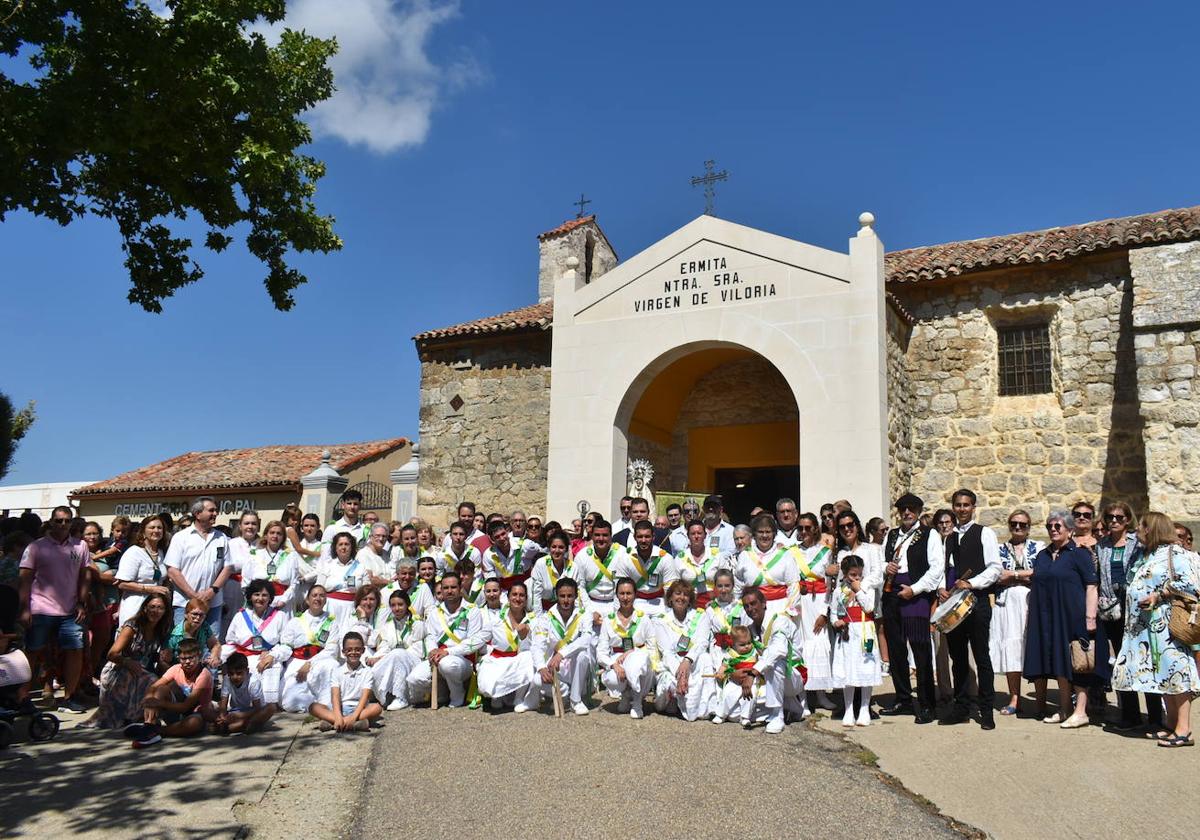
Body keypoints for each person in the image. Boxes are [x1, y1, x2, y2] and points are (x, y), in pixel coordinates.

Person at [1112, 512, 1200, 746]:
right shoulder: (1147, 555)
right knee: (1164, 675)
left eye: (1140, 526)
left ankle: (1184, 730)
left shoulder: (1177, 553)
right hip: (1148, 628)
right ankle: (1170, 724)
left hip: (1169, 625)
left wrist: (1159, 595)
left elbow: (1191, 584)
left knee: (1177, 673)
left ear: (1152, 528)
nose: (1136, 530)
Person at [1022, 509, 1108, 729]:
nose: (1053, 529)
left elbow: (1091, 586)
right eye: (1050, 526)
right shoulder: (1042, 555)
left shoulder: (1079, 554)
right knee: (1058, 661)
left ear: (1069, 530)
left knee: (1078, 664)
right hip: (1046, 616)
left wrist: (1090, 617)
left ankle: (1081, 712)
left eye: (1057, 526)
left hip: (1073, 615)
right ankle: (1064, 709)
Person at [17, 505, 91, 713]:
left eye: (67, 521)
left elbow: (84, 576)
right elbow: (24, 578)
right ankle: (22, 698)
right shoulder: (36, 547)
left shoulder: (80, 546)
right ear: (51, 522)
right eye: (59, 521)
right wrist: (24, 608)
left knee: (74, 651)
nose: (63, 524)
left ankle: (69, 697)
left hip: (70, 610)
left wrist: (82, 603)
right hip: (40, 608)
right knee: (32, 652)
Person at [939, 489, 1001, 730]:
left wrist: (971, 583)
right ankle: (961, 708)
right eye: (958, 505)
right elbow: (945, 570)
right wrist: (941, 589)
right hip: (954, 607)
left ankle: (986, 711)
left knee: (982, 658)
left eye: (966, 505)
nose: (962, 509)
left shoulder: (985, 533)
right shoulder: (949, 538)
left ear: (973, 507)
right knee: (958, 659)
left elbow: (994, 568)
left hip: (977, 604)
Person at [880, 494, 943, 724]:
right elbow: (880, 563)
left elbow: (936, 569)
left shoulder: (930, 534)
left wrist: (915, 590)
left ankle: (927, 705)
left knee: (920, 651)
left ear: (918, 511)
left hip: (915, 595)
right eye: (903, 509)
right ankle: (903, 699)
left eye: (911, 509)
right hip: (892, 594)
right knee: (896, 651)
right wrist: (886, 567)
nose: (907, 512)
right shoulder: (891, 535)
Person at [1095, 502, 1157, 731]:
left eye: (1119, 518)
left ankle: (1155, 716)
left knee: (1144, 661)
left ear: (1127, 520)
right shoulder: (1101, 545)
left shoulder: (1138, 543)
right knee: (1121, 662)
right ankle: (1129, 715)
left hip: (1135, 609)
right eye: (1110, 517)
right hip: (1111, 611)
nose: (1114, 521)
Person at [82, 591, 170, 730]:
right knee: (150, 680)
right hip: (119, 668)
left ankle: (145, 718)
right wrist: (127, 662)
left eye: (160, 608)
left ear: (165, 611)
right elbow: (112, 654)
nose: (155, 611)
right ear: (145, 608)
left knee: (157, 682)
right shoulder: (132, 626)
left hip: (141, 670)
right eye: (152, 607)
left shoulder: (161, 629)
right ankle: (132, 717)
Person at [406, 571, 483, 708]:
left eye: (453, 587)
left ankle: (457, 694)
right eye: (445, 588)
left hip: (463, 660)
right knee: (414, 679)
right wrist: (432, 650)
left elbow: (473, 642)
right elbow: (430, 636)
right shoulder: (435, 612)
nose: (449, 591)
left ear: (460, 589)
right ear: (441, 590)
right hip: (438, 656)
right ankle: (442, 691)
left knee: (448, 664)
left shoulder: (473, 611)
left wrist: (448, 652)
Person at [991, 508, 1041, 716]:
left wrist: (1012, 575)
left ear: (1029, 528)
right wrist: (1022, 575)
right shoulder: (999, 549)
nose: (1018, 527)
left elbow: (1038, 572)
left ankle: (1040, 700)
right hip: (1007, 604)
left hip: (1030, 602)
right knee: (1012, 650)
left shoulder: (1038, 547)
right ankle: (1015, 697)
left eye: (1022, 524)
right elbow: (996, 575)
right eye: (1014, 524)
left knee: (1033, 648)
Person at [164, 497, 233, 636]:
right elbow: (172, 570)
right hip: (184, 603)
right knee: (183, 643)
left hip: (212, 604)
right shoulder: (181, 537)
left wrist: (212, 591)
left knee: (211, 645)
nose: (215, 513)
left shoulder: (222, 538)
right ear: (197, 514)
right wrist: (193, 595)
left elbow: (227, 568)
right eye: (211, 510)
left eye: (216, 510)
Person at [739, 586, 804, 733]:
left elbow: (778, 650)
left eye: (753, 603)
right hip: (766, 676)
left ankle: (777, 715)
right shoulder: (751, 628)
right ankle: (791, 706)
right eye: (746, 606)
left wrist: (753, 673)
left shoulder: (780, 621)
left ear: (763, 603)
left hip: (793, 675)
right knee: (740, 711)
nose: (750, 609)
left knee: (775, 663)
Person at [131, 638, 215, 748]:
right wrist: (149, 699)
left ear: (199, 656)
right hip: (176, 712)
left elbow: (185, 707)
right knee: (161, 689)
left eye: (191, 658)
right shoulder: (176, 668)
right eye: (183, 659)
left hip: (196, 714)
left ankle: (158, 731)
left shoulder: (204, 675)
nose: (188, 662)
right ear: (178, 658)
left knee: (194, 724)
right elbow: (154, 687)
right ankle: (149, 724)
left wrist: (158, 703)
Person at [652, 580, 715, 721]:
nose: (681, 597)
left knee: (705, 658)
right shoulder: (661, 620)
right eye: (677, 593)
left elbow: (702, 643)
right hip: (672, 665)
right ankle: (672, 698)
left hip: (693, 662)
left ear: (690, 599)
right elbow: (667, 652)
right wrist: (681, 675)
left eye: (686, 594)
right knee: (669, 703)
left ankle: (704, 706)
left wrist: (687, 661)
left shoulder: (701, 616)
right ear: (670, 598)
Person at [533, 577, 596, 716]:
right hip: (556, 667)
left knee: (583, 655)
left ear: (575, 596)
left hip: (577, 668)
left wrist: (562, 653)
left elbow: (586, 639)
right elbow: (538, 645)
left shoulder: (584, 615)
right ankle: (564, 692)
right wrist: (541, 667)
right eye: (562, 596)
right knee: (537, 680)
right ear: (556, 596)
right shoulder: (546, 617)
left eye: (570, 596)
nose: (566, 600)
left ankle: (576, 700)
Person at [832, 555, 882, 726]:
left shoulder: (867, 588)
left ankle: (864, 708)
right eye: (853, 575)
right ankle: (848, 709)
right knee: (848, 670)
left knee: (866, 668)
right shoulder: (839, 591)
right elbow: (833, 612)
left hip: (865, 632)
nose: (857, 578)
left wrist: (858, 590)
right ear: (845, 574)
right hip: (847, 634)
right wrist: (836, 622)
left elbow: (869, 607)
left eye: (859, 574)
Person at [476, 581, 540, 712]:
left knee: (528, 656)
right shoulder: (496, 619)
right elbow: (476, 640)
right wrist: (449, 651)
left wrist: (526, 635)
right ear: (508, 597)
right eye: (514, 594)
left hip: (520, 663)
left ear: (526, 598)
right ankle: (499, 695)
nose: (517, 598)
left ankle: (519, 698)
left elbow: (538, 645)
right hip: (498, 661)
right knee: (494, 700)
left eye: (521, 595)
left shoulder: (534, 620)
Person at [221, 579, 288, 706]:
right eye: (256, 594)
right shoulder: (240, 616)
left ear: (270, 598)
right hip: (245, 658)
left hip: (268, 657)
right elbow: (230, 643)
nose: (260, 598)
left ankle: (268, 706)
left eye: (264, 595)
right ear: (250, 597)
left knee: (272, 672)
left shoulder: (280, 616)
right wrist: (219, 658)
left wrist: (272, 655)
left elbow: (286, 645)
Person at [597, 577, 654, 719]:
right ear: (616, 595)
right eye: (621, 593)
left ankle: (637, 702)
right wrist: (613, 665)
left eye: (629, 593)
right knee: (611, 678)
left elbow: (652, 646)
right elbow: (601, 652)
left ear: (635, 595)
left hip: (639, 656)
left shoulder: (644, 619)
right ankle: (626, 694)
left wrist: (633, 651)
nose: (625, 597)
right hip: (617, 659)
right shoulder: (609, 620)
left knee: (637, 663)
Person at [279, 586, 340, 713]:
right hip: (297, 664)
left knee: (332, 664)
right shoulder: (295, 621)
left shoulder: (332, 622)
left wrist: (310, 663)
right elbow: (286, 645)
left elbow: (332, 649)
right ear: (307, 600)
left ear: (325, 600)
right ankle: (315, 707)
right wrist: (273, 655)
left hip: (320, 661)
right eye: (314, 595)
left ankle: (326, 705)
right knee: (290, 703)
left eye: (322, 595)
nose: (318, 598)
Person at [310, 631, 382, 732]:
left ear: (363, 650)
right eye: (349, 650)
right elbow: (335, 697)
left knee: (377, 708)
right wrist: (338, 716)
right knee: (314, 707)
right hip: (339, 709)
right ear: (343, 652)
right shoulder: (337, 671)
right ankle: (352, 724)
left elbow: (364, 697)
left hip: (359, 709)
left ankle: (335, 723)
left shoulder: (367, 672)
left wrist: (353, 716)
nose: (353, 652)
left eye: (357, 649)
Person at [368, 588, 426, 711]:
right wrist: (376, 658)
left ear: (408, 605)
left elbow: (419, 650)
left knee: (397, 654)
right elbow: (384, 647)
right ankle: (384, 695)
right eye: (393, 605)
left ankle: (401, 697)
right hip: (393, 659)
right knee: (374, 665)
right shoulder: (387, 626)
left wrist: (391, 655)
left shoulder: (417, 624)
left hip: (414, 661)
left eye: (400, 604)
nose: (397, 608)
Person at [733, 514, 799, 618]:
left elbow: (793, 585)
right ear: (754, 534)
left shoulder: (785, 555)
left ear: (774, 534)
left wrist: (789, 610)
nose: (764, 536)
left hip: (780, 609)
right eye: (760, 532)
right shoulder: (744, 555)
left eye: (768, 532)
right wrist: (737, 610)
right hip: (751, 612)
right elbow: (738, 587)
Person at [115, 514, 170, 626]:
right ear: (143, 532)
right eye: (152, 527)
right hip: (136, 605)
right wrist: (150, 589)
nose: (156, 530)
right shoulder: (134, 552)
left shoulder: (161, 553)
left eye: (159, 528)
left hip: (155, 608)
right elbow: (122, 584)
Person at [612, 520, 675, 615]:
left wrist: (669, 615)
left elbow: (670, 590)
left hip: (660, 603)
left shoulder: (665, 558)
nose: (643, 540)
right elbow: (619, 589)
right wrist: (619, 614)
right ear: (634, 537)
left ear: (653, 537)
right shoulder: (625, 558)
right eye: (640, 537)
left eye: (647, 536)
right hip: (635, 602)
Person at [573, 519, 628, 621]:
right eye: (597, 535)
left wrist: (617, 611)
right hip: (590, 603)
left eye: (605, 535)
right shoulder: (582, 556)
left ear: (611, 536)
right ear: (592, 536)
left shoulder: (622, 554)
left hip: (617, 604)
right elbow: (579, 587)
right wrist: (590, 611)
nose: (601, 539)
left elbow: (625, 586)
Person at [712, 625, 765, 726]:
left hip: (751, 680)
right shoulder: (731, 653)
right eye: (742, 644)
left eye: (749, 643)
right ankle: (721, 714)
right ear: (733, 645)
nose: (747, 646)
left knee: (750, 694)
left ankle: (745, 717)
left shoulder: (754, 652)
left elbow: (761, 661)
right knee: (728, 692)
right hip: (735, 680)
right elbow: (724, 665)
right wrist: (720, 672)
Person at [242, 520, 301, 611]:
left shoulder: (291, 556)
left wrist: (284, 600)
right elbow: (246, 581)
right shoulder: (254, 555)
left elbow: (295, 583)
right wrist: (251, 600)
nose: (275, 536)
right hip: (258, 604)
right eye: (272, 533)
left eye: (279, 533)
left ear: (283, 537)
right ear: (266, 535)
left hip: (281, 604)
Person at [318, 532, 375, 623]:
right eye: (340, 544)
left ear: (351, 547)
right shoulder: (327, 566)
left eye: (347, 544)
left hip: (352, 609)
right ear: (335, 548)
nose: (343, 547)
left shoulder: (361, 567)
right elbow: (318, 588)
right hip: (330, 609)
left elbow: (367, 591)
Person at [214, 652, 275, 734]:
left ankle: (236, 727)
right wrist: (222, 717)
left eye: (239, 673)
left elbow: (257, 708)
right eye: (231, 673)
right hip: (235, 711)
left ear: (247, 671)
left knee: (271, 707)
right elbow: (223, 704)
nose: (235, 677)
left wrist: (240, 715)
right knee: (214, 710)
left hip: (253, 712)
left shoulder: (253, 682)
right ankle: (240, 727)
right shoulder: (227, 679)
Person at [529, 531, 589, 614]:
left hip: (568, 612)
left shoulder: (573, 567)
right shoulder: (541, 564)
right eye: (554, 547)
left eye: (561, 547)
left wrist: (578, 614)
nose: (557, 551)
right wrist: (539, 618)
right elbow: (536, 595)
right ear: (549, 547)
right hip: (544, 611)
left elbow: (579, 593)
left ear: (566, 549)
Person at [673, 519, 727, 608]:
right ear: (688, 536)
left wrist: (719, 601)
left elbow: (727, 580)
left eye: (699, 533)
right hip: (689, 604)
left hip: (715, 603)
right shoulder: (680, 558)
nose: (696, 536)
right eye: (693, 534)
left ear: (705, 535)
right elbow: (675, 585)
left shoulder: (717, 556)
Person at [224, 511, 262, 636]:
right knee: (231, 622)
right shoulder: (231, 544)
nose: (250, 527)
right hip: (233, 589)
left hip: (257, 591)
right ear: (240, 526)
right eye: (246, 523)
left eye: (253, 523)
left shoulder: (263, 545)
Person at [480, 521, 533, 599]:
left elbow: (540, 556)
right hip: (504, 591)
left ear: (508, 531)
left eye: (503, 534)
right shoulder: (488, 554)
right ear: (491, 539)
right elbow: (492, 581)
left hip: (526, 587)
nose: (502, 538)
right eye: (497, 537)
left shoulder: (524, 545)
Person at [167, 597, 222, 669]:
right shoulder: (175, 635)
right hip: (176, 669)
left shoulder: (204, 626)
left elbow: (215, 644)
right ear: (186, 614)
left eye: (201, 615)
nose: (198, 618)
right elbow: (164, 660)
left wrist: (214, 656)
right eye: (194, 614)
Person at [321, 490, 370, 557]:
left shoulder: (366, 530)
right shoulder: (332, 528)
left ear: (360, 506)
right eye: (349, 503)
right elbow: (325, 555)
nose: (352, 507)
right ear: (343, 505)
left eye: (355, 504)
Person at [701, 495, 738, 560]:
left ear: (721, 510)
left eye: (714, 506)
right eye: (708, 506)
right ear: (703, 509)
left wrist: (708, 559)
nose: (711, 509)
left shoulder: (730, 531)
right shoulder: (695, 529)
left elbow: (731, 551)